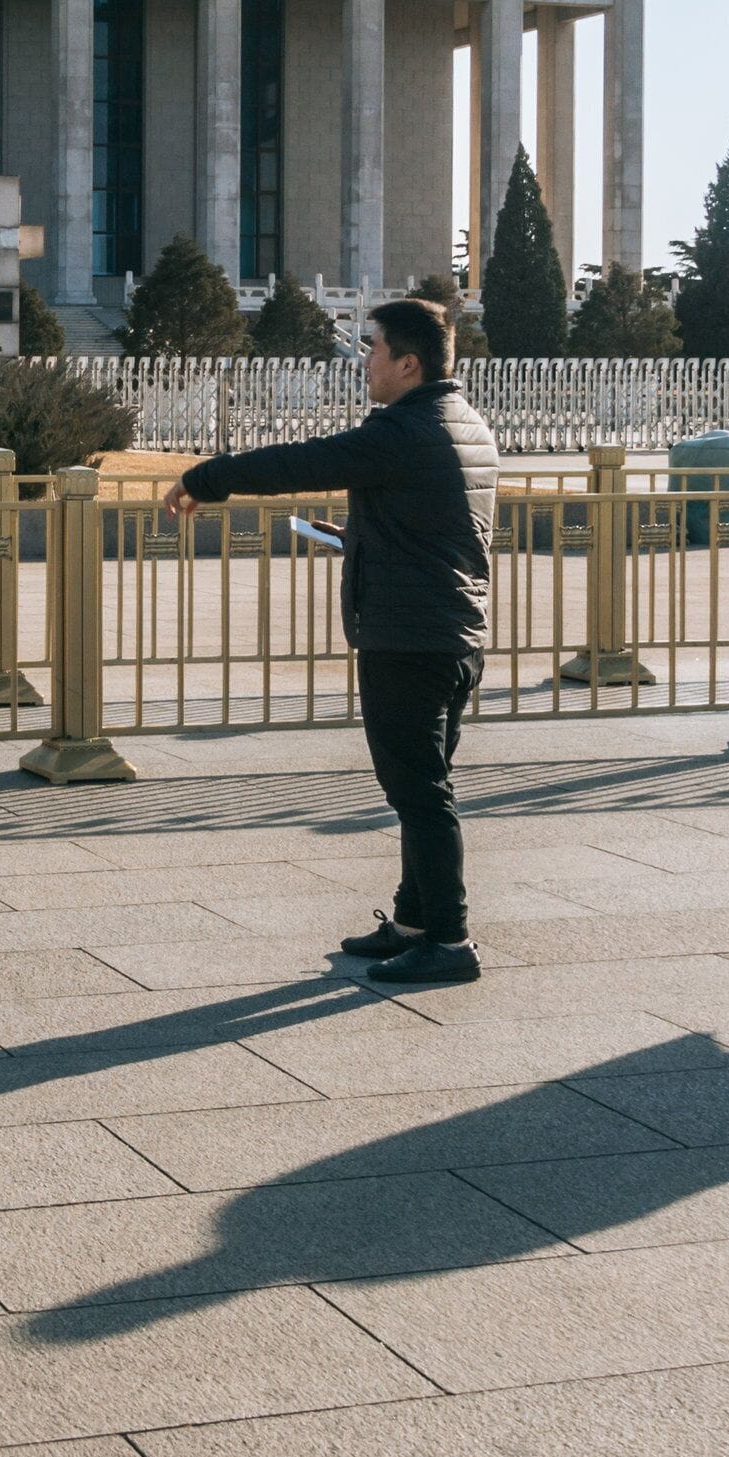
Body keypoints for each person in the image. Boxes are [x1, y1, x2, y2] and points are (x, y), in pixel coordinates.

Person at [162, 298, 497, 984]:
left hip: (409, 637)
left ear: (408, 363)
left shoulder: (402, 429)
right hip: (453, 632)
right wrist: (363, 537)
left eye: (372, 347)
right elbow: (446, 527)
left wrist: (207, 477)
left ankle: (452, 939)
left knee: (419, 792)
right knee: (424, 783)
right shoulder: (466, 423)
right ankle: (414, 920)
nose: (363, 359)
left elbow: (302, 462)